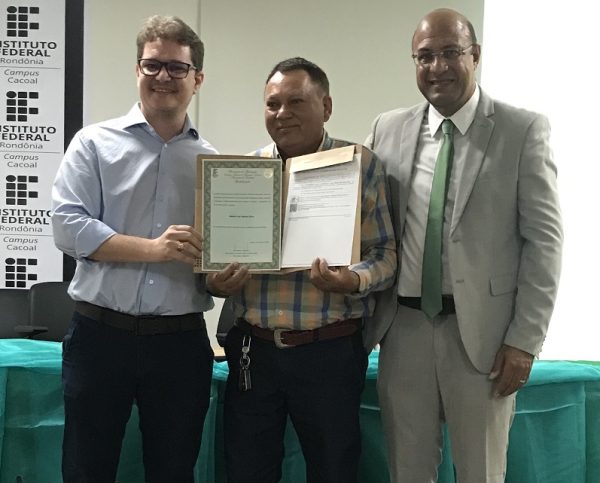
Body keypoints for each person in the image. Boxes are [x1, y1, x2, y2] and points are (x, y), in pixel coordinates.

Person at [365, 8, 563, 483]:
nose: (438, 67)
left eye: (450, 52)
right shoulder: (387, 128)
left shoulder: (522, 130)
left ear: (475, 55)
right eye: (425, 56)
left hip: (485, 338)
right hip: (404, 329)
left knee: (481, 472)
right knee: (407, 472)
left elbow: (544, 242)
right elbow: (364, 221)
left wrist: (524, 341)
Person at [208, 57, 397, 483]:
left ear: (326, 107)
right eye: (272, 104)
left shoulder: (360, 164)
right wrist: (216, 281)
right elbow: (214, 269)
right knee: (247, 471)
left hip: (329, 351)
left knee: (333, 470)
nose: (282, 113)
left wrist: (352, 280)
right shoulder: (243, 173)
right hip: (254, 351)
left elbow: (386, 254)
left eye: (296, 101)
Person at [51, 15, 217, 482]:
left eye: (177, 67)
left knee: (174, 471)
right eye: (152, 64)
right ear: (137, 70)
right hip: (99, 337)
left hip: (180, 344)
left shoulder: (214, 164)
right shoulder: (93, 143)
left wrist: (228, 274)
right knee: (86, 469)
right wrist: (154, 250)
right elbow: (68, 227)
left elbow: (219, 256)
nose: (163, 76)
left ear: (197, 79)